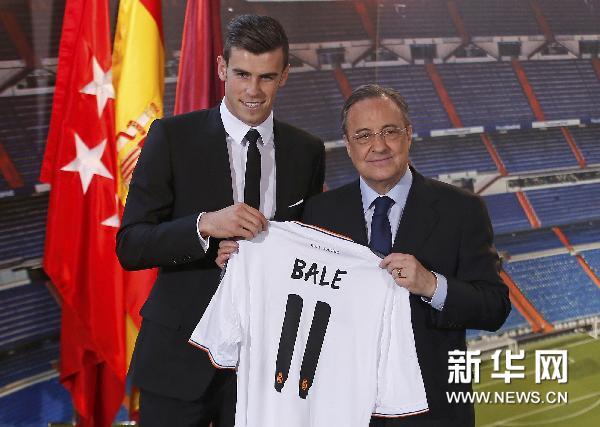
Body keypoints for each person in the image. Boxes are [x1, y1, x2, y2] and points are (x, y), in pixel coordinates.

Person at [218, 84, 510, 426]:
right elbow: (285, 297)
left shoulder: (461, 209)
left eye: (390, 131)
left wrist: (432, 285)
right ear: (348, 144)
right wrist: (242, 260)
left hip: (431, 410)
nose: (379, 146)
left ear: (409, 134)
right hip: (337, 407)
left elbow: (494, 308)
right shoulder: (317, 213)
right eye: (364, 135)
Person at [116, 14, 325, 427]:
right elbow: (131, 245)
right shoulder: (171, 137)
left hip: (264, 365)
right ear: (221, 68)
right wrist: (205, 226)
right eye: (242, 74)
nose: (253, 90)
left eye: (266, 77)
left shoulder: (307, 151)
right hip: (178, 358)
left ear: (284, 76)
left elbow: (309, 245)